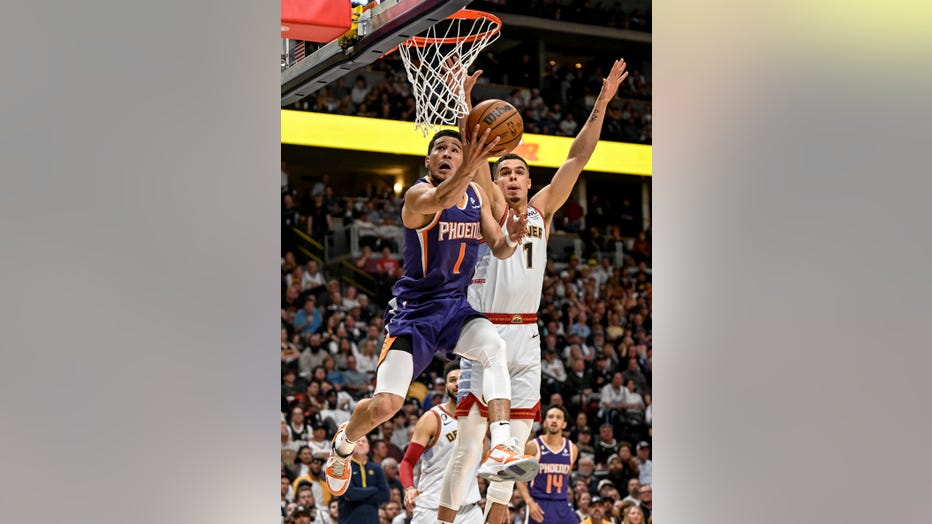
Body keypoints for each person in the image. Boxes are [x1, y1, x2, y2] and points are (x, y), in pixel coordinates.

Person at [444, 57, 630, 524]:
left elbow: (578, 157)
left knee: (513, 463)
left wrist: (602, 103)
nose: (509, 178)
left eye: (517, 173)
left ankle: (494, 516)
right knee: (469, 447)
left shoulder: (541, 213)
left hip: (527, 336)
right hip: (484, 334)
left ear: (529, 181)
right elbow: (474, 151)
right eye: (503, 172)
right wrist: (463, 101)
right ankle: (442, 519)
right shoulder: (487, 203)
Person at [323, 127, 536, 498]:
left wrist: (513, 238)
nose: (448, 154)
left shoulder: (476, 196)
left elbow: (499, 248)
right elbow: (441, 196)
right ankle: (343, 444)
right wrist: (472, 160)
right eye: (441, 149)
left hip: (455, 307)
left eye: (455, 149)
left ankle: (501, 444)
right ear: (429, 160)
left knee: (494, 347)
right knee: (385, 406)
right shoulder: (417, 195)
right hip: (415, 314)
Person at [400, 363, 484, 523]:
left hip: (469, 510)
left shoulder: (479, 418)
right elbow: (407, 461)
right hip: (433, 508)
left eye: (463, 378)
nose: (458, 383)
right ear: (445, 386)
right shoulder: (432, 418)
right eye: (452, 380)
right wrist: (409, 488)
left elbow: (484, 459)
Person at [514, 405, 579, 524]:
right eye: (550, 417)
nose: (554, 420)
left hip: (562, 503)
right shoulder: (533, 446)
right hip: (539, 504)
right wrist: (529, 502)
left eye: (558, 417)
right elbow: (519, 478)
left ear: (564, 424)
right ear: (544, 423)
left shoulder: (572, 449)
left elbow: (566, 476)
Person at [337, 437, 391, 523]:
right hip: (348, 520)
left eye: (364, 441)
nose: (361, 443)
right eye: (357, 441)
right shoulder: (343, 467)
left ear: (369, 446)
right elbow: (350, 494)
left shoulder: (377, 468)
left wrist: (358, 495)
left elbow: (385, 495)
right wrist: (374, 490)